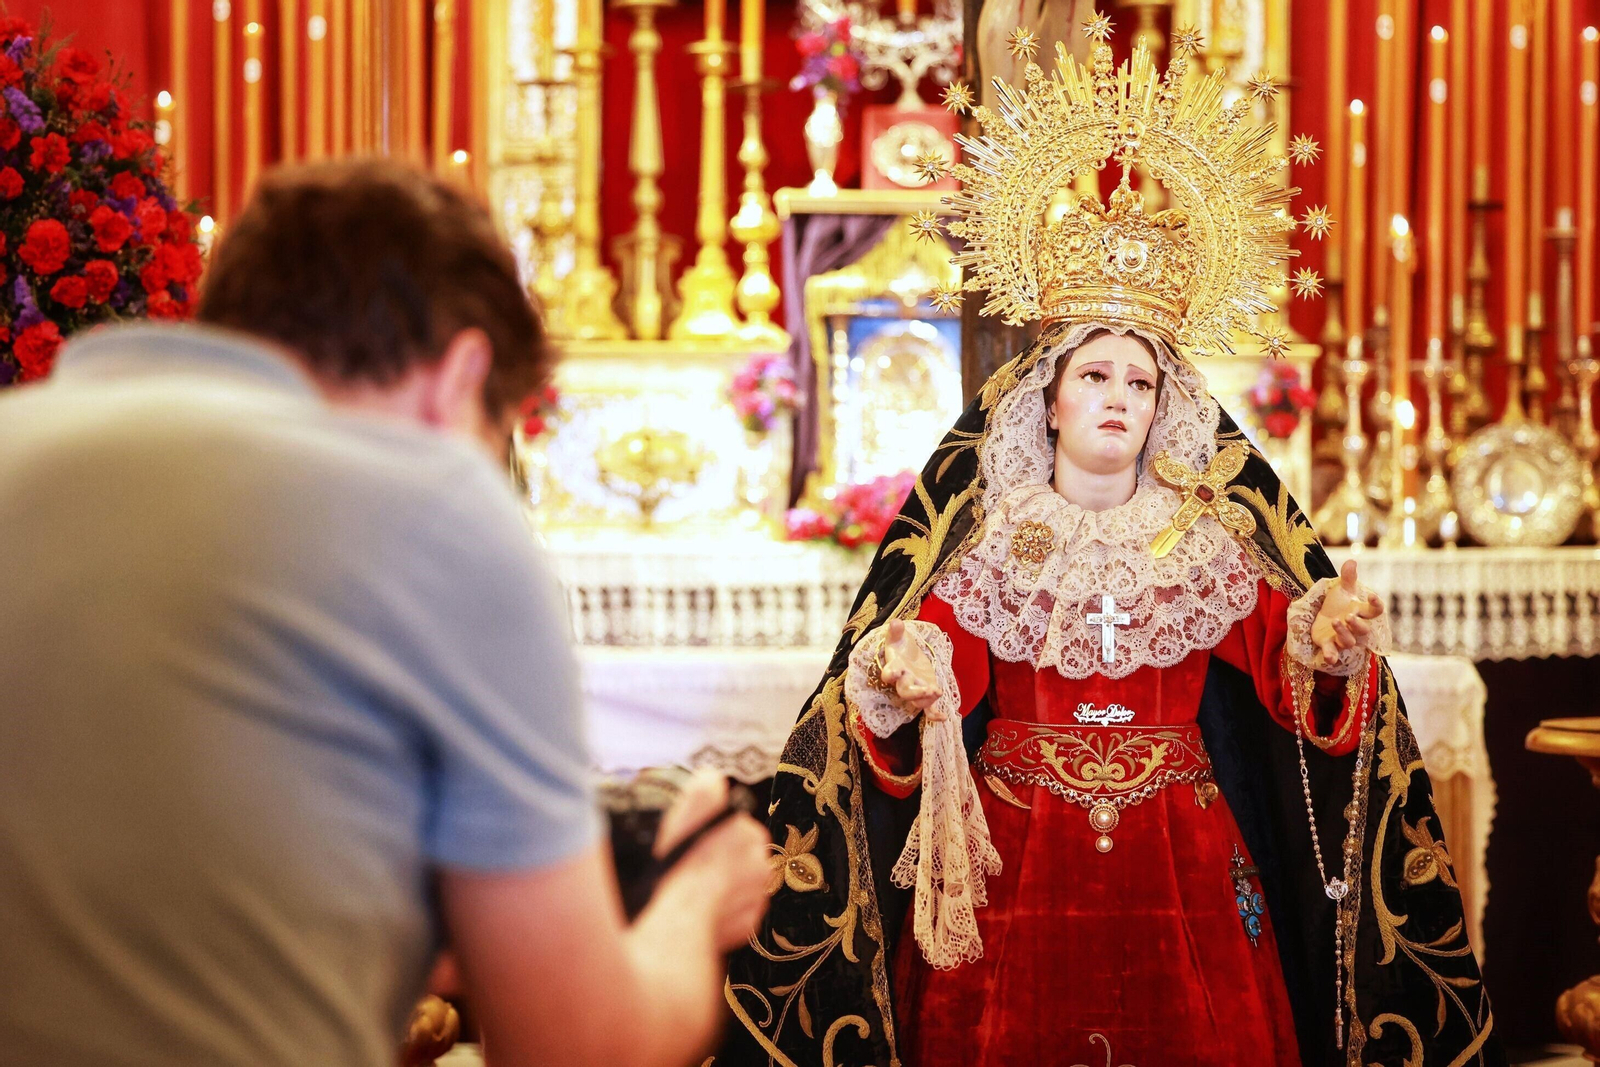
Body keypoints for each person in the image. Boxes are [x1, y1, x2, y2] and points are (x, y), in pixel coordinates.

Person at [719, 21, 1503, 1067]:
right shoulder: (992, 536)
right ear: (1046, 398)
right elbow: (925, 667)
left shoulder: (1205, 537)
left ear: (1165, 406)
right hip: (1015, 863)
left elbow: (1282, 670)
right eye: (1094, 376)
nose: (1118, 397)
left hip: (1179, 861)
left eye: (1140, 382)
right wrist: (901, 672)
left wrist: (1325, 633)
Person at [0, 159, 770, 1067]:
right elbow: (580, 1047)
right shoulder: (426, 504)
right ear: (463, 376)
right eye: (501, 438)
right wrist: (696, 891)